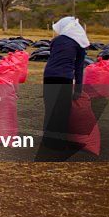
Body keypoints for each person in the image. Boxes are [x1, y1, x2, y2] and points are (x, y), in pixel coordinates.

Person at [37, 16, 90, 159]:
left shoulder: (56, 41)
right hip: (64, 78)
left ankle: (48, 141)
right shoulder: (79, 44)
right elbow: (79, 67)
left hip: (48, 76)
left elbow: (54, 59)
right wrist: (78, 88)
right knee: (62, 111)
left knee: (50, 108)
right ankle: (58, 144)